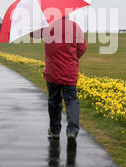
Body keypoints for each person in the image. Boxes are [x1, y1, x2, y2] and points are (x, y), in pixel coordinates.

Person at [31, 15, 86, 149]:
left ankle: (55, 131)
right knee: (72, 100)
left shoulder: (48, 27)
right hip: (70, 72)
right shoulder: (75, 27)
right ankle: (72, 131)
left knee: (54, 101)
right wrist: (72, 59)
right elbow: (82, 48)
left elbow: (32, 34)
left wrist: (40, 19)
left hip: (52, 72)